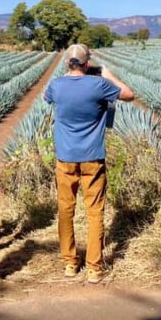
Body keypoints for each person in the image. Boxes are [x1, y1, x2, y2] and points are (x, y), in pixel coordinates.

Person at [44, 44, 135, 284]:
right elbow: (128, 94)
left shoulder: (56, 86)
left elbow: (49, 96)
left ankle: (70, 264)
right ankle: (94, 269)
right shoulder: (99, 85)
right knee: (95, 212)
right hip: (93, 158)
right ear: (87, 64)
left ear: (66, 63)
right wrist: (105, 72)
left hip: (65, 158)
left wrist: (68, 74)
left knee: (65, 210)